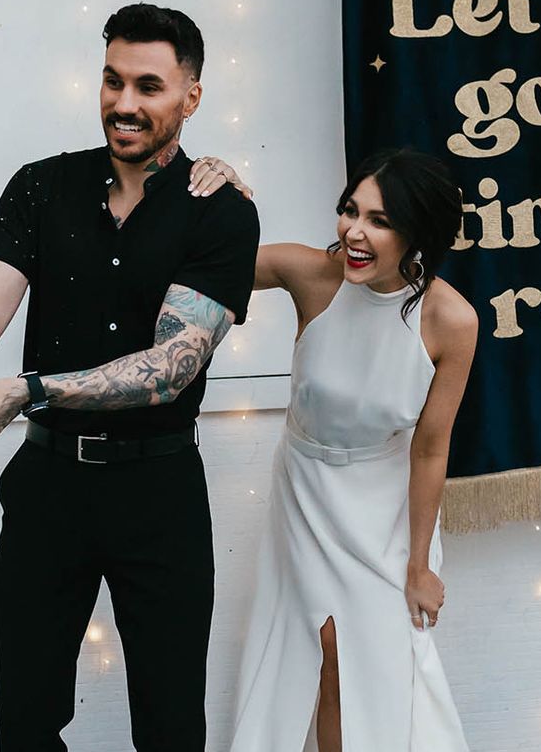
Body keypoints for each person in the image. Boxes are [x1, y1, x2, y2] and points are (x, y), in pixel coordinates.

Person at [0, 3, 260, 752]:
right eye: (113, 81)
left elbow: (168, 371)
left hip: (159, 496)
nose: (125, 103)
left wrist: (30, 389)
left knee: (172, 730)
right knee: (28, 725)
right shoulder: (42, 187)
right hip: (49, 492)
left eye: (149, 85)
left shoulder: (222, 213)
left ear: (190, 97)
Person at [202, 148, 477, 752]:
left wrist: (419, 564)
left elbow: (431, 450)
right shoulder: (311, 273)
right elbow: (208, 262)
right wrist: (229, 198)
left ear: (419, 233)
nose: (354, 231)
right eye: (350, 210)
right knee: (325, 649)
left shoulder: (451, 320)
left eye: (379, 220)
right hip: (305, 490)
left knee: (384, 657)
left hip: (385, 503)